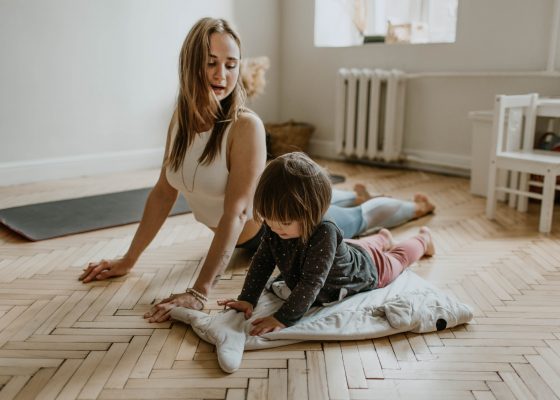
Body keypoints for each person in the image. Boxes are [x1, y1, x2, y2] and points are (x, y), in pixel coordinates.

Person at [79, 17, 434, 323]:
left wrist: (200, 291)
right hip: (268, 223)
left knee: (357, 218)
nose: (222, 74)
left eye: (231, 64)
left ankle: (414, 209)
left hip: (287, 228)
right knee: (342, 207)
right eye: (211, 62)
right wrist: (129, 259)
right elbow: (162, 193)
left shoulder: (244, 126)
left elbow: (236, 213)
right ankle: (352, 198)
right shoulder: (180, 121)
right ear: (190, 64)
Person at [218, 152, 434, 335]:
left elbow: (312, 282)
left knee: (398, 258)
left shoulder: (325, 232)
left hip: (368, 268)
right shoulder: (276, 227)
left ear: (312, 213)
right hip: (347, 250)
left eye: (283, 222)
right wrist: (247, 298)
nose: (275, 228)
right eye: (269, 220)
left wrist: (283, 318)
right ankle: (383, 237)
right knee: (358, 246)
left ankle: (423, 239)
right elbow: (262, 261)